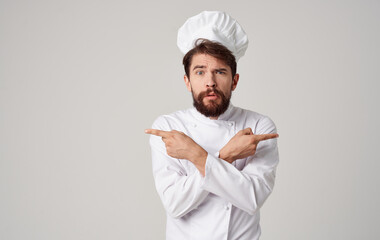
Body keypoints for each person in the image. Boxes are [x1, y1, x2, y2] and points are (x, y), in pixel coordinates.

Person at [145, 11, 279, 240]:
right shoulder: (169, 127)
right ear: (187, 81)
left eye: (220, 72)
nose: (210, 82)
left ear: (234, 80)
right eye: (200, 72)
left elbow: (252, 198)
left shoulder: (258, 126)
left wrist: (195, 155)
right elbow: (175, 205)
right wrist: (226, 155)